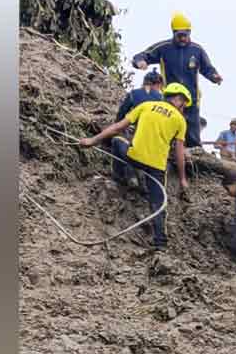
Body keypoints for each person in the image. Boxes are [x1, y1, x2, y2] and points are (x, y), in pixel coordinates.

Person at [78, 83, 191, 250]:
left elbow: (117, 128)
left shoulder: (146, 106)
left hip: (134, 157)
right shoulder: (180, 120)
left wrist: (92, 141)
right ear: (178, 99)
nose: (183, 107)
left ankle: (120, 177)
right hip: (157, 167)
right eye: (184, 103)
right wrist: (182, 179)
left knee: (118, 141)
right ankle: (160, 242)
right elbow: (179, 152)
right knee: (159, 204)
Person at [131, 13, 222, 147]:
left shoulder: (197, 50)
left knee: (192, 138)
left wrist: (214, 77)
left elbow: (207, 68)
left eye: (185, 35)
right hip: (170, 100)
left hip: (191, 101)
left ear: (189, 32)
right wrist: (140, 62)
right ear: (173, 33)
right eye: (179, 35)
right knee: (168, 133)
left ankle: (194, 164)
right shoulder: (164, 48)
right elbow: (142, 55)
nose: (183, 38)